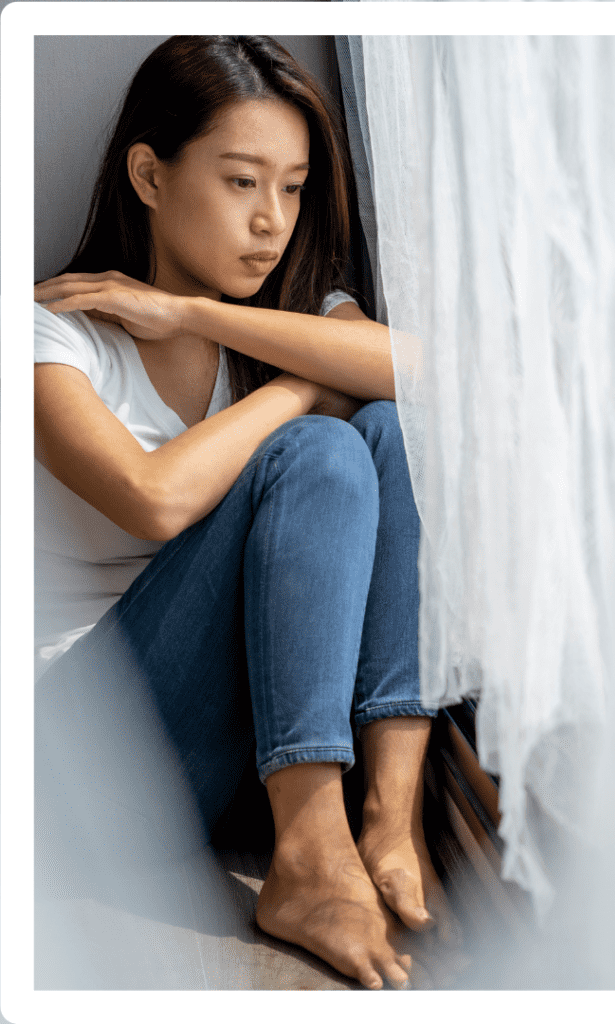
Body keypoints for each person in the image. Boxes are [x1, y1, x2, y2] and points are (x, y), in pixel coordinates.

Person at [33, 35, 456, 990]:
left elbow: (432, 380)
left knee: (394, 425)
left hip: (233, 758)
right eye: (240, 183)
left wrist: (193, 317)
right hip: (82, 769)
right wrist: (302, 394)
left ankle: (388, 815)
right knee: (316, 446)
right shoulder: (49, 333)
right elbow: (152, 499)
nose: (272, 223)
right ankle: (309, 855)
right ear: (149, 173)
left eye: (294, 188)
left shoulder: (279, 313)